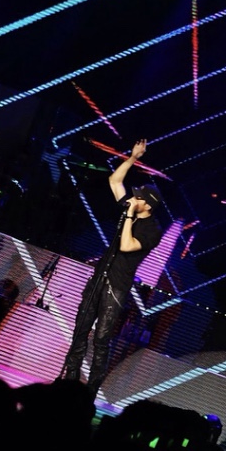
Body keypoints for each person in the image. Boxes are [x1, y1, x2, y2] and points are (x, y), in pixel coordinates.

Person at [59, 138, 163, 397]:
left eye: (138, 198)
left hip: (117, 287)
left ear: (148, 205)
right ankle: (69, 382)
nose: (133, 198)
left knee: (101, 339)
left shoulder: (152, 230)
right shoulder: (131, 209)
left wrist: (128, 215)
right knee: (81, 329)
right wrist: (133, 158)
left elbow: (127, 246)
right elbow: (114, 181)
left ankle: (90, 391)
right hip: (99, 277)